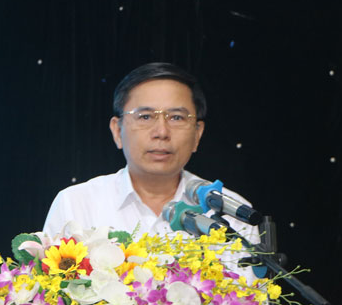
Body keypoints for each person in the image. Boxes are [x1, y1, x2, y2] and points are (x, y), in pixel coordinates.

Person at [43, 62, 258, 245]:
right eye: (145, 117)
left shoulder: (233, 212)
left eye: (176, 117)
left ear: (197, 134)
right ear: (117, 131)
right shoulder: (76, 204)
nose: (161, 132)